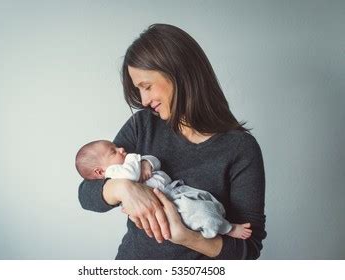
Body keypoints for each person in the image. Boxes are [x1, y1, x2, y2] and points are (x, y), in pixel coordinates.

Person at [78, 23, 266, 259]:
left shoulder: (240, 149)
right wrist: (123, 188)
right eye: (139, 90)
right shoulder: (143, 125)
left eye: (147, 86)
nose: (144, 100)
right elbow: (86, 192)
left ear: (179, 74)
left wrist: (188, 238)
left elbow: (249, 249)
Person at [75, 139, 252, 240]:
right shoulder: (115, 172)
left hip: (176, 189)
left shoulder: (240, 146)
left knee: (206, 200)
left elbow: (155, 161)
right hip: (168, 205)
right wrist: (133, 163)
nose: (121, 149)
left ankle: (218, 218)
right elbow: (86, 195)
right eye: (113, 151)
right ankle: (227, 228)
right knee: (199, 212)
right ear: (99, 171)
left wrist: (147, 162)